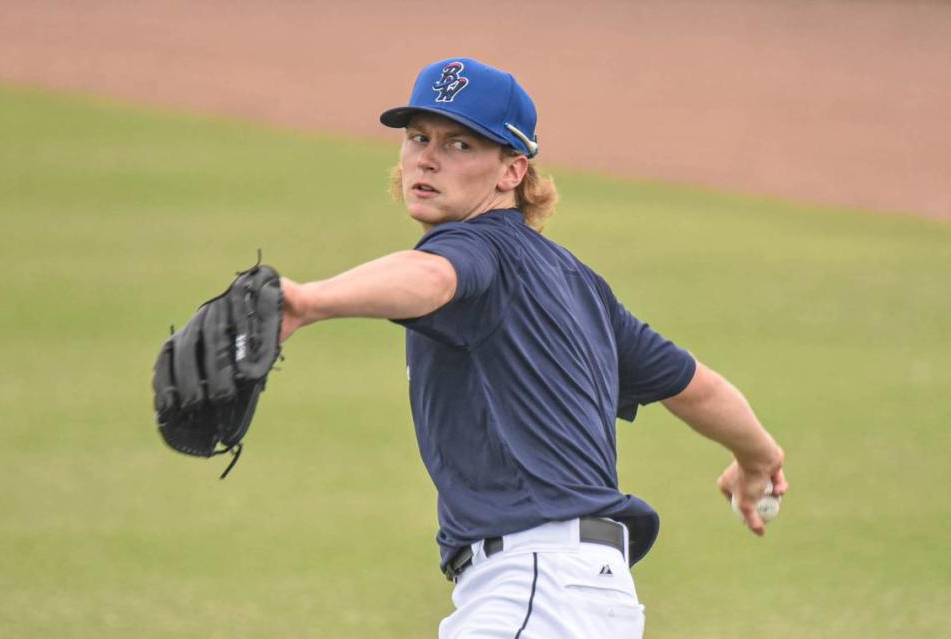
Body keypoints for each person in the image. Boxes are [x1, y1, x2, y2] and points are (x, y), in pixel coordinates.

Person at [278, 57, 787, 638]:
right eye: (419, 137)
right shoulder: (579, 285)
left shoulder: (472, 252)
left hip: (535, 588)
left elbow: (433, 278)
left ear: (512, 171)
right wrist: (759, 460)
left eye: (461, 144)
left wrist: (308, 301)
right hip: (590, 593)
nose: (428, 157)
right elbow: (697, 388)